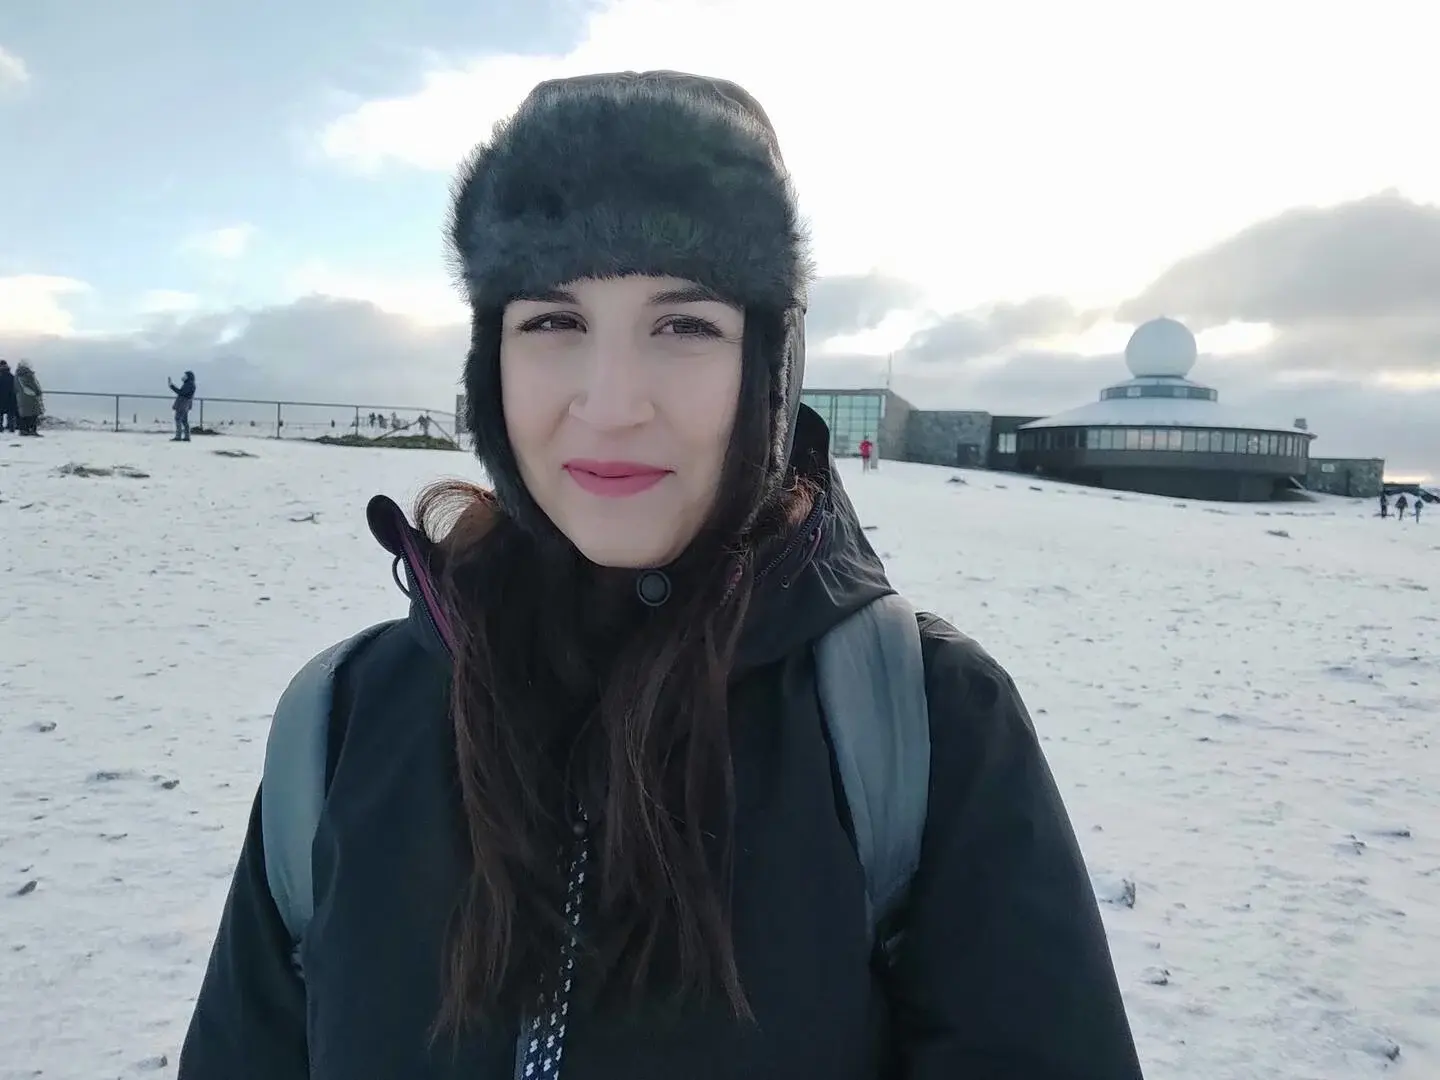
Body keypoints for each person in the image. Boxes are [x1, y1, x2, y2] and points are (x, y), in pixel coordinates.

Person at [179, 71, 1142, 1080]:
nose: (611, 403)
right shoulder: (338, 726)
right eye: (553, 322)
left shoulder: (926, 726)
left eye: (684, 326)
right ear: (488, 363)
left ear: (768, 371)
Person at [13, 360, 43, 436]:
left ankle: (24, 430)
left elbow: (15, 387)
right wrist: (38, 391)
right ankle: (32, 430)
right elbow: (33, 384)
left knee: (24, 414)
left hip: (20, 397)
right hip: (30, 396)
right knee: (33, 414)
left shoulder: (17, 375)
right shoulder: (27, 374)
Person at [170, 371, 197, 441]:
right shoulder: (190, 384)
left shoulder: (189, 384)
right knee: (184, 420)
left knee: (178, 419)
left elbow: (181, 392)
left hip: (182, 404)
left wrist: (172, 387)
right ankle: (187, 436)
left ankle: (178, 436)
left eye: (185, 375)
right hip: (185, 405)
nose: (183, 377)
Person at [0, 360, 16, 433]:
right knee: (11, 414)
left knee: (0, 414)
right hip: (11, 398)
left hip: (1, 398)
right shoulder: (12, 377)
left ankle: (0, 427)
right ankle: (11, 427)